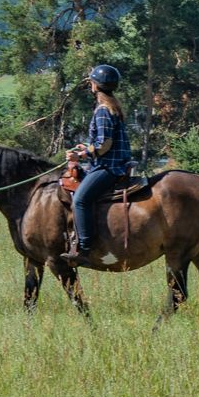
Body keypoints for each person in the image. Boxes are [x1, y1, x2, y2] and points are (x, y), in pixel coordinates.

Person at [60, 64, 134, 266]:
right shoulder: (113, 107)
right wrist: (86, 147)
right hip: (116, 163)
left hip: (108, 167)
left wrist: (80, 155)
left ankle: (84, 249)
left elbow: (104, 144)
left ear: (95, 85)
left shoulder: (102, 110)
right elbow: (106, 142)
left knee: (80, 200)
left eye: (91, 82)